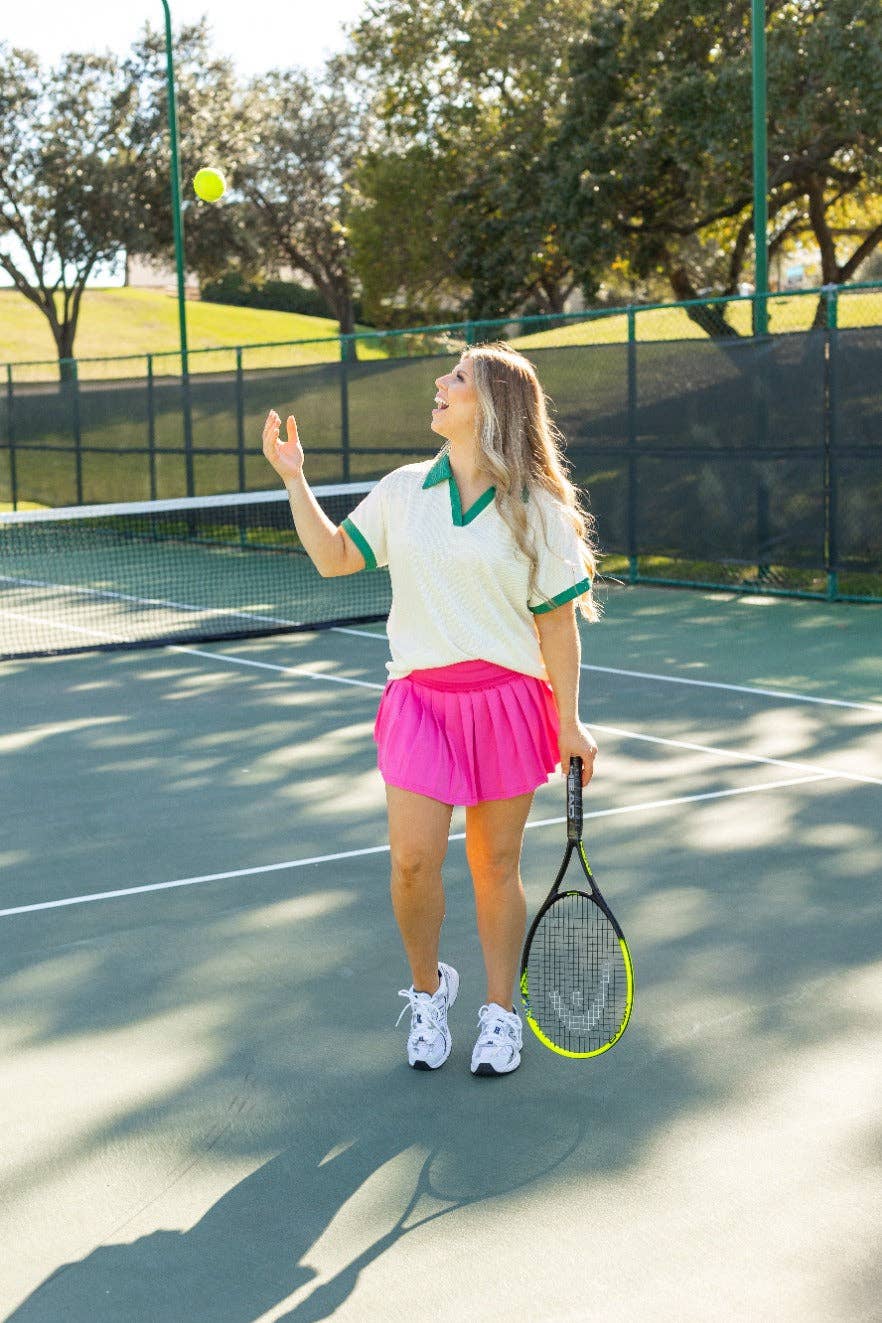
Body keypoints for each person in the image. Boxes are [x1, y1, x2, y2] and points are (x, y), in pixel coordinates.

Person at [262, 343, 599, 1077]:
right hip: (419, 701)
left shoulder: (537, 509)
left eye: (457, 379)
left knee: (494, 866)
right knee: (413, 863)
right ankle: (428, 993)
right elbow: (334, 559)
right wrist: (295, 481)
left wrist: (569, 720)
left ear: (493, 405)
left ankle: (501, 1012)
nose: (439, 385)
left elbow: (557, 625)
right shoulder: (403, 489)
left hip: (509, 703)